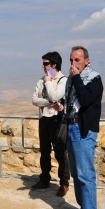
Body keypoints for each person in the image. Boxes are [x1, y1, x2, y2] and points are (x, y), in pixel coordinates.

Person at [59, 46, 103, 209]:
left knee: (86, 175)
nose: (73, 64)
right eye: (71, 60)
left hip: (84, 131)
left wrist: (76, 78)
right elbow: (71, 101)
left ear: (87, 60)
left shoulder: (94, 79)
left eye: (77, 60)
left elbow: (85, 100)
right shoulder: (71, 79)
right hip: (71, 127)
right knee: (77, 174)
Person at [31, 51, 70, 196]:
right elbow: (35, 100)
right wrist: (49, 102)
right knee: (44, 151)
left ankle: (64, 183)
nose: (43, 66)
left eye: (46, 63)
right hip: (44, 119)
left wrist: (49, 83)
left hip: (57, 119)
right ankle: (44, 179)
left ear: (54, 65)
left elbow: (56, 95)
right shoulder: (41, 80)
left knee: (60, 152)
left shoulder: (62, 80)